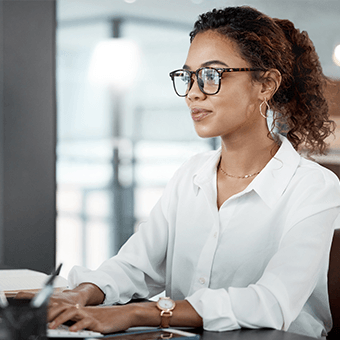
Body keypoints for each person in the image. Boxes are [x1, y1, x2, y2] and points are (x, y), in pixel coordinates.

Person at [30, 5, 340, 338]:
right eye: (188, 76)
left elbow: (272, 302)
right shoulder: (191, 174)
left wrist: (138, 313)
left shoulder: (314, 187)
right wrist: (82, 293)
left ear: (265, 84)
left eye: (211, 75)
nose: (193, 92)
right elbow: (137, 265)